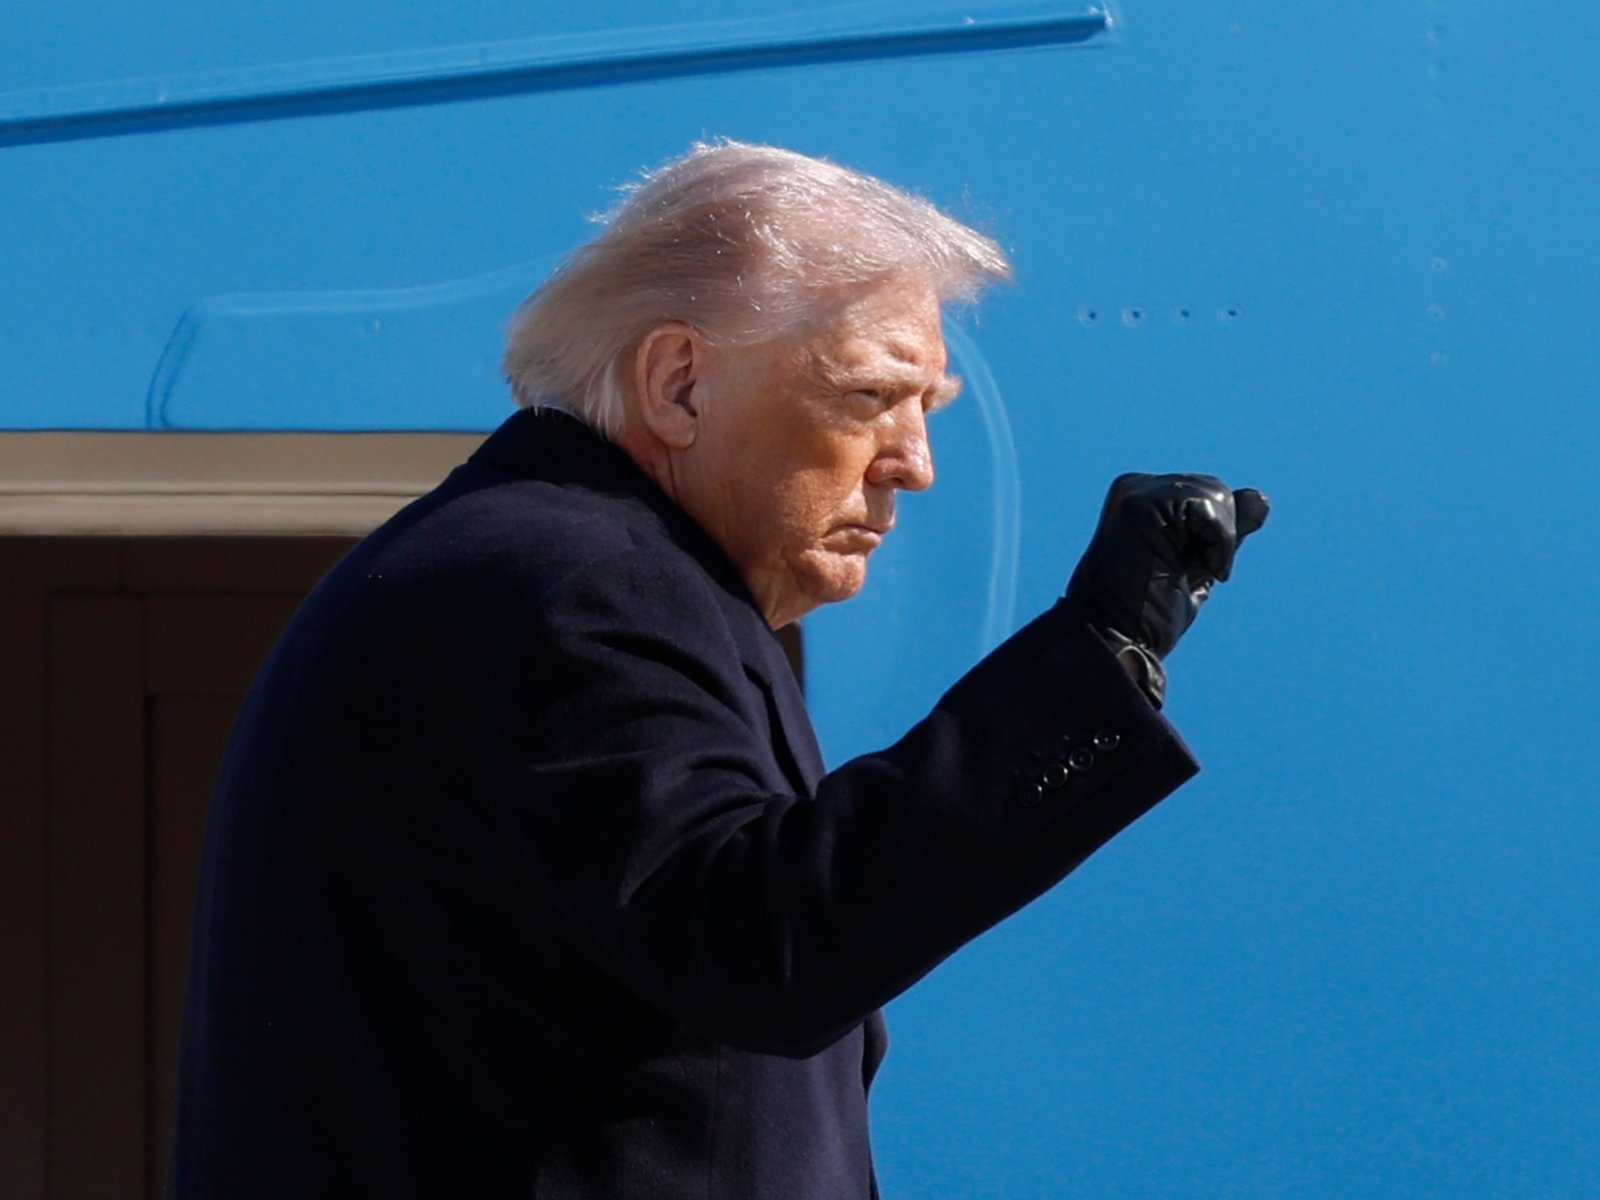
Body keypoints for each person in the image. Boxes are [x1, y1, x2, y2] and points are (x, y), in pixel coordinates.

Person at [169, 140, 1266, 1198]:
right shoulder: (589, 586)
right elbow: (761, 946)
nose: (915, 465)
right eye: (868, 396)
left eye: (926, 409)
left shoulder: (508, 562)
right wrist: (1102, 648)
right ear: (681, 384)